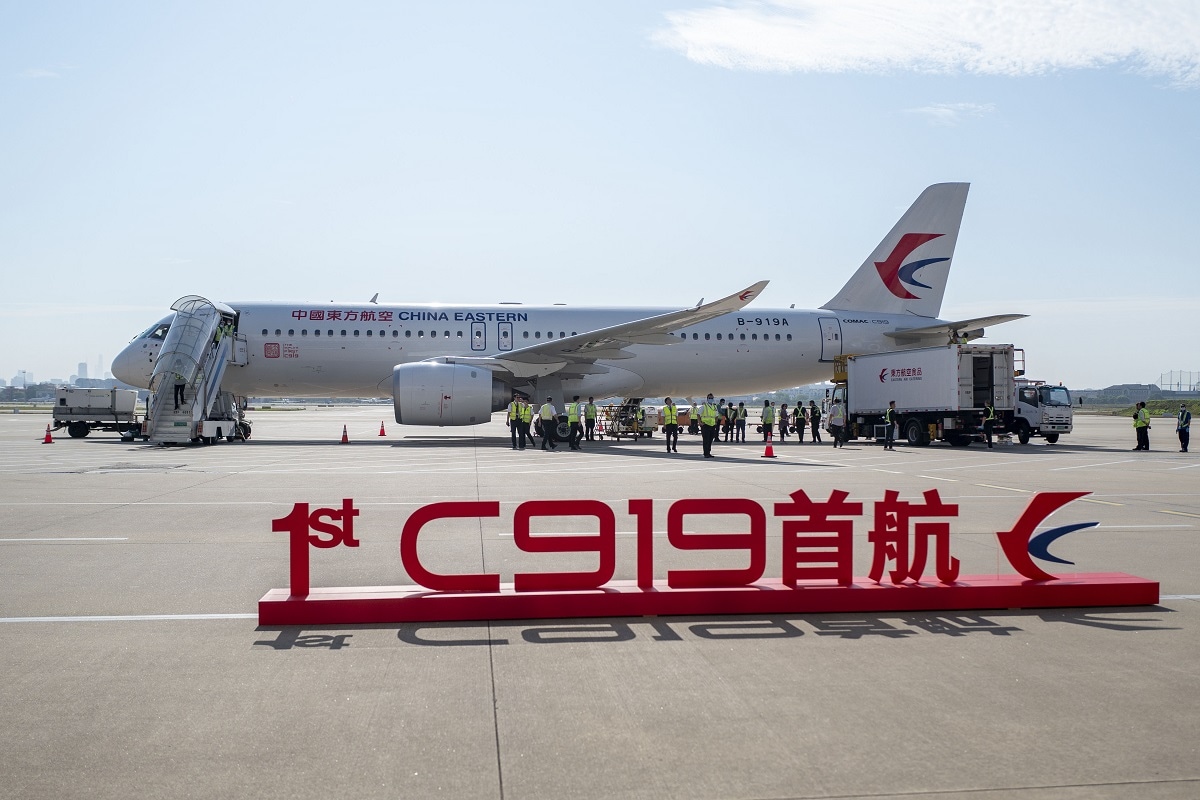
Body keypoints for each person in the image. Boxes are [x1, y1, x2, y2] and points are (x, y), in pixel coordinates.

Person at [699, 393, 719, 457]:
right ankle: (705, 453)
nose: (711, 399)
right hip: (705, 425)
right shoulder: (704, 406)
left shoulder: (714, 406)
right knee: (706, 439)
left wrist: (715, 422)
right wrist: (700, 422)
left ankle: (708, 452)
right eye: (710, 398)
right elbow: (698, 414)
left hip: (712, 425)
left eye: (712, 398)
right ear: (707, 399)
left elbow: (716, 415)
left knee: (710, 439)